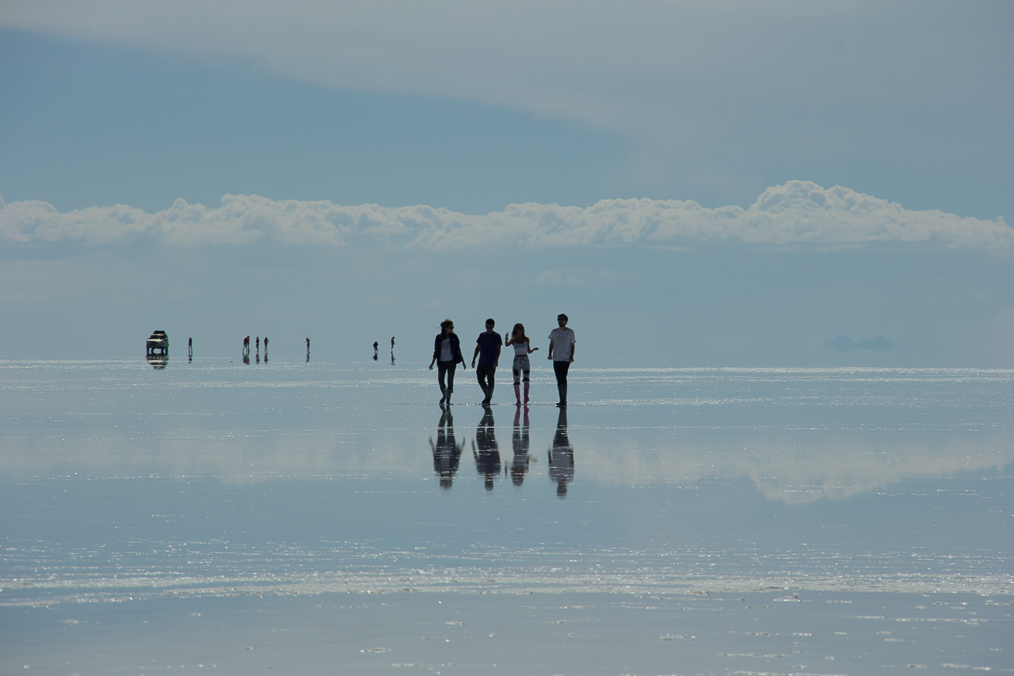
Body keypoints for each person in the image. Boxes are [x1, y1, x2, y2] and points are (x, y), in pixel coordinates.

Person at [429, 319, 465, 405]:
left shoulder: (454, 337)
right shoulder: (439, 337)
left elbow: (458, 349)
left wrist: (463, 361)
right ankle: (444, 395)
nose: (452, 329)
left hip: (451, 361)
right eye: (450, 327)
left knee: (450, 380)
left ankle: (448, 400)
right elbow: (436, 350)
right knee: (441, 380)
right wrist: (432, 362)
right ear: (445, 328)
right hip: (441, 362)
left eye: (452, 327)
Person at [505, 322, 539, 405]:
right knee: (516, 380)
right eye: (518, 328)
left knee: (526, 379)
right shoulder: (513, 340)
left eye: (521, 328)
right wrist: (506, 338)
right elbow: (506, 345)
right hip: (517, 359)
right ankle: (518, 399)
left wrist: (533, 350)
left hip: (525, 359)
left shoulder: (526, 339)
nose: (520, 330)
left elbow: (528, 351)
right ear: (515, 330)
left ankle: (526, 397)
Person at [471, 318, 502, 407]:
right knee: (480, 378)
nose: (488, 328)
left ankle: (488, 398)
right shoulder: (482, 335)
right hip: (481, 362)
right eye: (487, 327)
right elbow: (478, 347)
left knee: (490, 381)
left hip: (491, 363)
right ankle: (487, 394)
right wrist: (474, 359)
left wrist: (496, 360)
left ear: (493, 326)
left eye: (490, 327)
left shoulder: (496, 336)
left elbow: (498, 349)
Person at [547, 313, 575, 407]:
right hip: (556, 358)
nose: (560, 321)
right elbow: (551, 343)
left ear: (566, 321)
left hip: (565, 358)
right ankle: (561, 399)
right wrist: (550, 354)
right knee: (558, 378)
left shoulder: (570, 332)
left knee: (563, 376)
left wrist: (571, 356)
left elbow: (572, 345)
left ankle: (564, 400)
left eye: (562, 319)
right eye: (559, 319)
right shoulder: (554, 332)